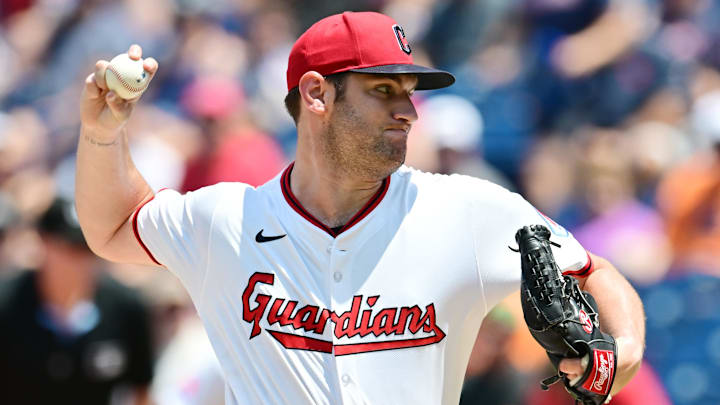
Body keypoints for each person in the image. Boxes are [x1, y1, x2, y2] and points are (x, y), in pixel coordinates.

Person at [76, 11, 645, 405]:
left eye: (408, 92)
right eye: (384, 91)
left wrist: (623, 352)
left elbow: (594, 271)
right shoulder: (227, 221)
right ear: (317, 94)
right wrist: (102, 137)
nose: (409, 112)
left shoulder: (466, 210)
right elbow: (112, 228)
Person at [0, 197, 154, 405]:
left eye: (86, 249)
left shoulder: (126, 307)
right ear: (43, 243)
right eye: (68, 248)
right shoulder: (7, 304)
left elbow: (141, 391)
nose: (79, 262)